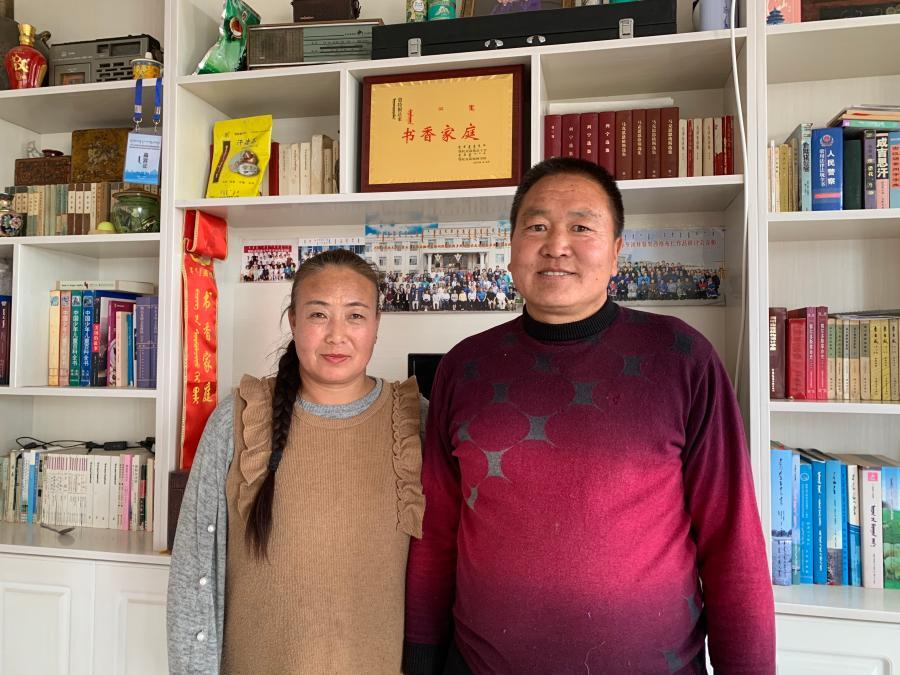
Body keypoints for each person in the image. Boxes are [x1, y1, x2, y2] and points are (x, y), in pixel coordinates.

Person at [403, 157, 775, 674]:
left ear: (617, 251)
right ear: (511, 247)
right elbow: (436, 532)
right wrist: (419, 656)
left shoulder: (682, 358)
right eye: (537, 226)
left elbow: (732, 540)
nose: (556, 245)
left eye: (581, 227)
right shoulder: (463, 367)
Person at [167, 249, 425, 674]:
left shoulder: (415, 422)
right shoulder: (239, 417)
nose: (337, 335)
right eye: (318, 315)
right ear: (293, 321)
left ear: (377, 324)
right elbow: (195, 567)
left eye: (355, 316)